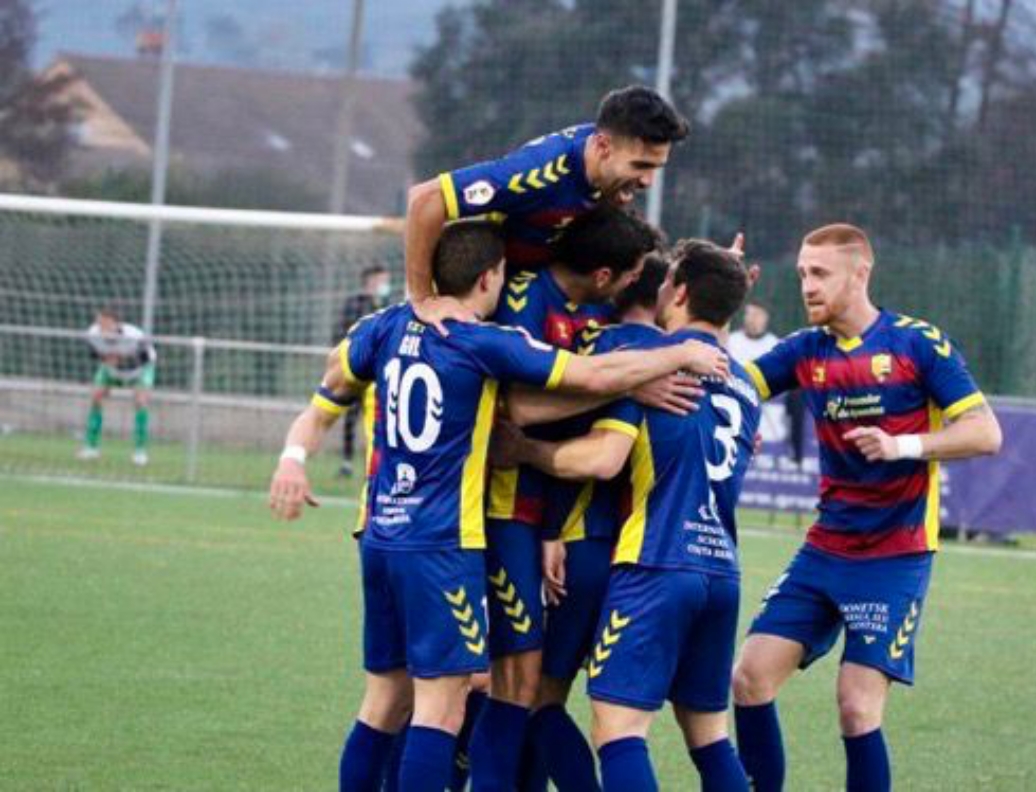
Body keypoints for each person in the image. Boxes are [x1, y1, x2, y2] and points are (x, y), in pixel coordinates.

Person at [268, 219, 728, 792]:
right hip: (442, 545)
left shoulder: (377, 329)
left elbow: (321, 405)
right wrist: (676, 353)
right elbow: (586, 374)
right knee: (442, 708)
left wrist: (292, 458)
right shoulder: (487, 343)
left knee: (384, 701)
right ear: (490, 278)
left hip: (379, 537)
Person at [731, 223, 1003, 792]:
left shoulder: (916, 344)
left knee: (856, 706)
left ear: (861, 274)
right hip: (826, 547)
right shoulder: (806, 350)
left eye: (820, 273)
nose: (807, 285)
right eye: (803, 273)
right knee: (750, 678)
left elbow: (984, 433)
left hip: (895, 555)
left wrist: (902, 445)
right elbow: (733, 386)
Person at [494, 240, 760, 790]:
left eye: (669, 281)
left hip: (652, 562)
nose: (659, 285)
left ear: (680, 292)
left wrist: (523, 451)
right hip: (722, 570)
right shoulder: (743, 382)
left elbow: (603, 456)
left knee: (613, 728)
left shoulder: (638, 359)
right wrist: (727, 277)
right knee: (709, 736)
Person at [505, 252, 674, 791]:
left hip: (588, 545)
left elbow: (593, 455)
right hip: (650, 560)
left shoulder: (606, 352)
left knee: (533, 696)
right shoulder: (689, 359)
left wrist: (550, 527)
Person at [404, 85, 689, 331]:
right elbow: (425, 199)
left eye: (656, 168)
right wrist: (423, 298)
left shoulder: (608, 161)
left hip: (549, 286)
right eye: (640, 166)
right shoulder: (535, 173)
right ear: (603, 147)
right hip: (496, 291)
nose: (648, 181)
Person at [77, 307, 157, 466]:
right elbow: (93, 353)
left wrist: (122, 359)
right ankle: (91, 448)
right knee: (96, 397)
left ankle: (140, 452)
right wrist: (106, 358)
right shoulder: (93, 333)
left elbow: (146, 358)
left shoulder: (134, 335)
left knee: (141, 402)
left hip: (138, 371)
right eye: (100, 323)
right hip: (111, 370)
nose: (102, 328)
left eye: (106, 324)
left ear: (116, 324)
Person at [334, 265, 393, 477]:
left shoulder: (389, 305)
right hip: (357, 369)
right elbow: (341, 332)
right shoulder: (355, 304)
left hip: (381, 374)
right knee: (350, 415)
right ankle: (347, 461)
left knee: (381, 417)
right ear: (371, 281)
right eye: (382, 279)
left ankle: (378, 461)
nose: (386, 284)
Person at [728, 301, 788, 443]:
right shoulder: (731, 341)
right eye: (750, 314)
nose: (753, 318)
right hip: (735, 418)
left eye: (758, 314)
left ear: (766, 318)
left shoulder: (775, 345)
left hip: (769, 425)